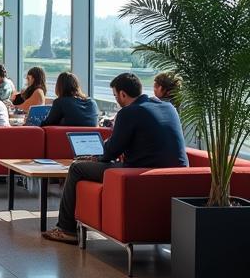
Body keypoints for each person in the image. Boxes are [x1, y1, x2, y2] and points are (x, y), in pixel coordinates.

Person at [43, 72, 189, 245]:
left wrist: (98, 156)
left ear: (122, 94)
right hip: (179, 174)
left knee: (77, 168)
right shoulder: (168, 107)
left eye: (115, 95)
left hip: (139, 173)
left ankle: (66, 229)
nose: (117, 100)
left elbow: (111, 152)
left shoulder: (129, 112)